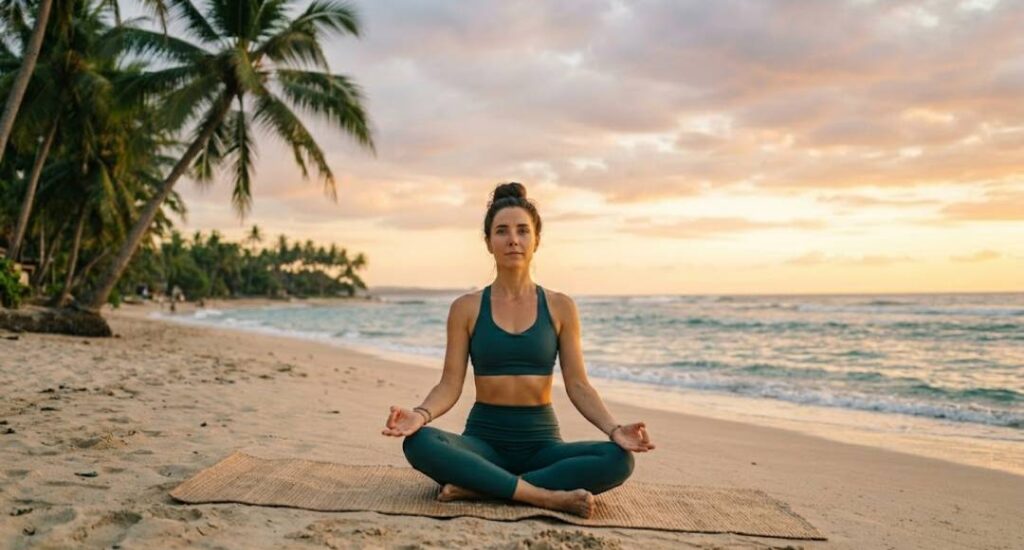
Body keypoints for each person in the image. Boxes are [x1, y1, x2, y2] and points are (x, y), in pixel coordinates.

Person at [382, 182, 655, 518]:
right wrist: (419, 415)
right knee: (419, 443)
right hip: (482, 443)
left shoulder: (560, 306)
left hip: (542, 444)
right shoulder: (466, 307)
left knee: (618, 459)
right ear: (488, 242)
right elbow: (450, 384)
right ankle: (543, 496)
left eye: (523, 230)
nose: (513, 239)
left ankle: (481, 488)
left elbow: (579, 385)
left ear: (536, 240)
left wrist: (615, 430)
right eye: (502, 231)